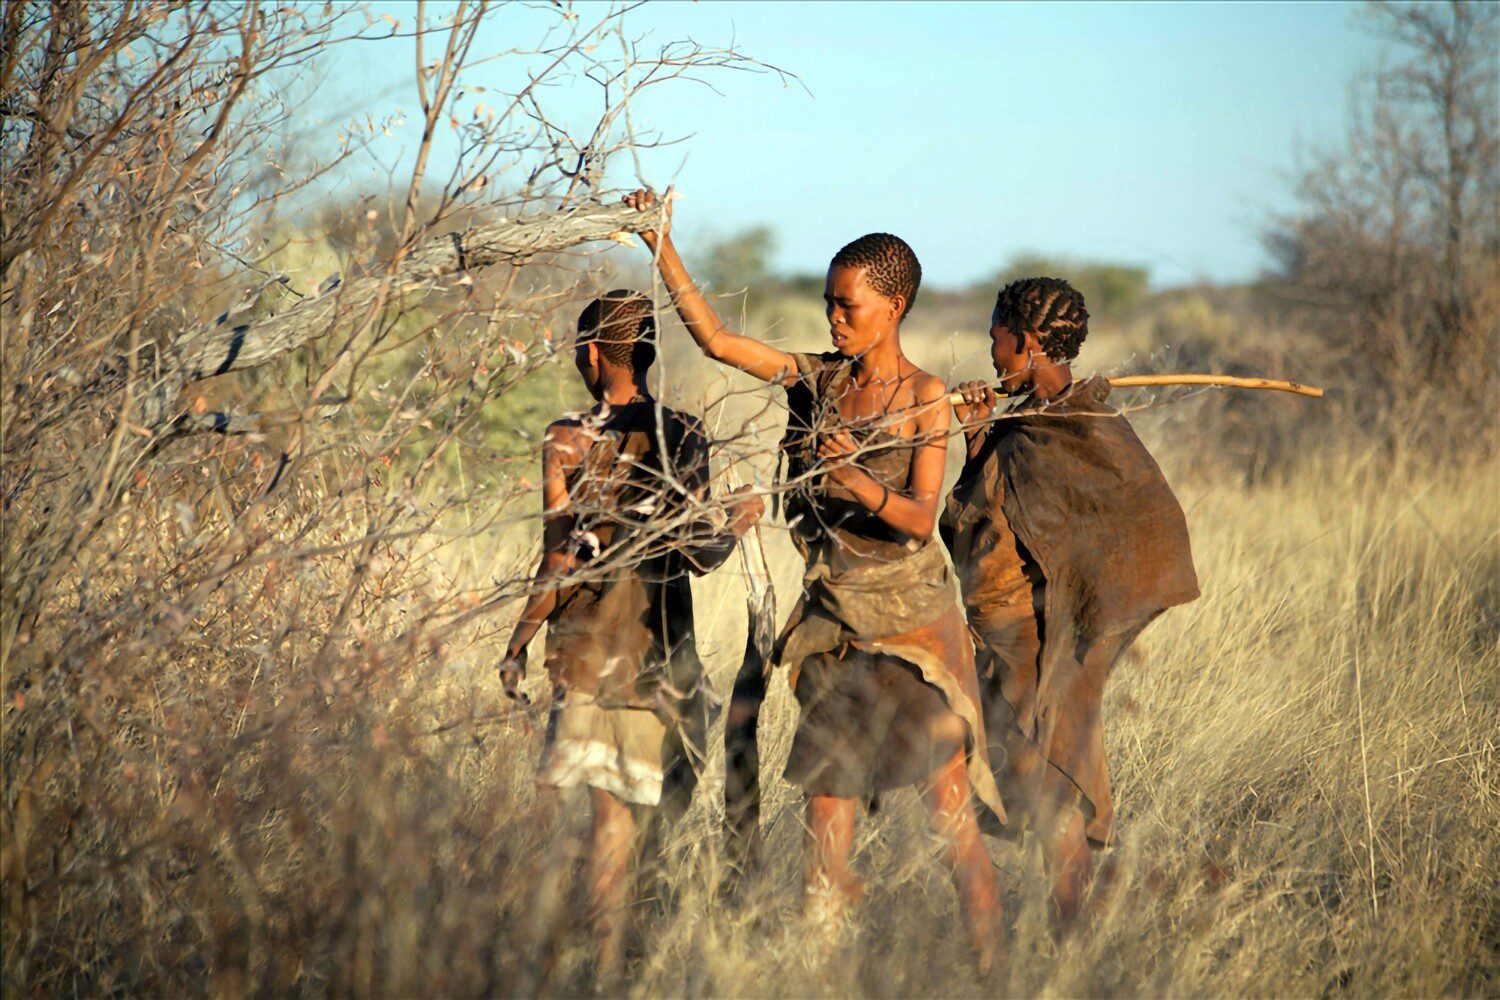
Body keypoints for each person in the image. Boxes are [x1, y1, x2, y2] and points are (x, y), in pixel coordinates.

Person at [623, 189, 1005, 969]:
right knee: (825, 807)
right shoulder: (816, 381)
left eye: (848, 307)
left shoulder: (924, 397)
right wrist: (660, 245)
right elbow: (722, 342)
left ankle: (997, 971)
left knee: (948, 817)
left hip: (914, 628)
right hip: (836, 625)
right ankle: (815, 970)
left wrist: (852, 478)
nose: (833, 320)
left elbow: (917, 519)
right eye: (828, 304)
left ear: (893, 307)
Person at [499, 290, 764, 985]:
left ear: (590, 353)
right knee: (631, 833)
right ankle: (620, 969)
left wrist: (518, 642)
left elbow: (557, 558)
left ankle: (584, 970)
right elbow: (701, 557)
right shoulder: (684, 434)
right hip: (657, 661)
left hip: (585, 656)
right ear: (646, 352)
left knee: (590, 830)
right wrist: (740, 519)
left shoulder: (566, 438)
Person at [943, 277, 1199, 933]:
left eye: (996, 337)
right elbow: (986, 520)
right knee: (1038, 790)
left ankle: (1074, 939)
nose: (990, 351)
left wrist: (1091, 618)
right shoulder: (1017, 423)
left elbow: (1147, 525)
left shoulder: (1082, 424)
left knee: (1059, 790)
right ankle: (1069, 937)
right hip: (1010, 644)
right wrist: (978, 438)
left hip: (1055, 643)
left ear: (1025, 341)